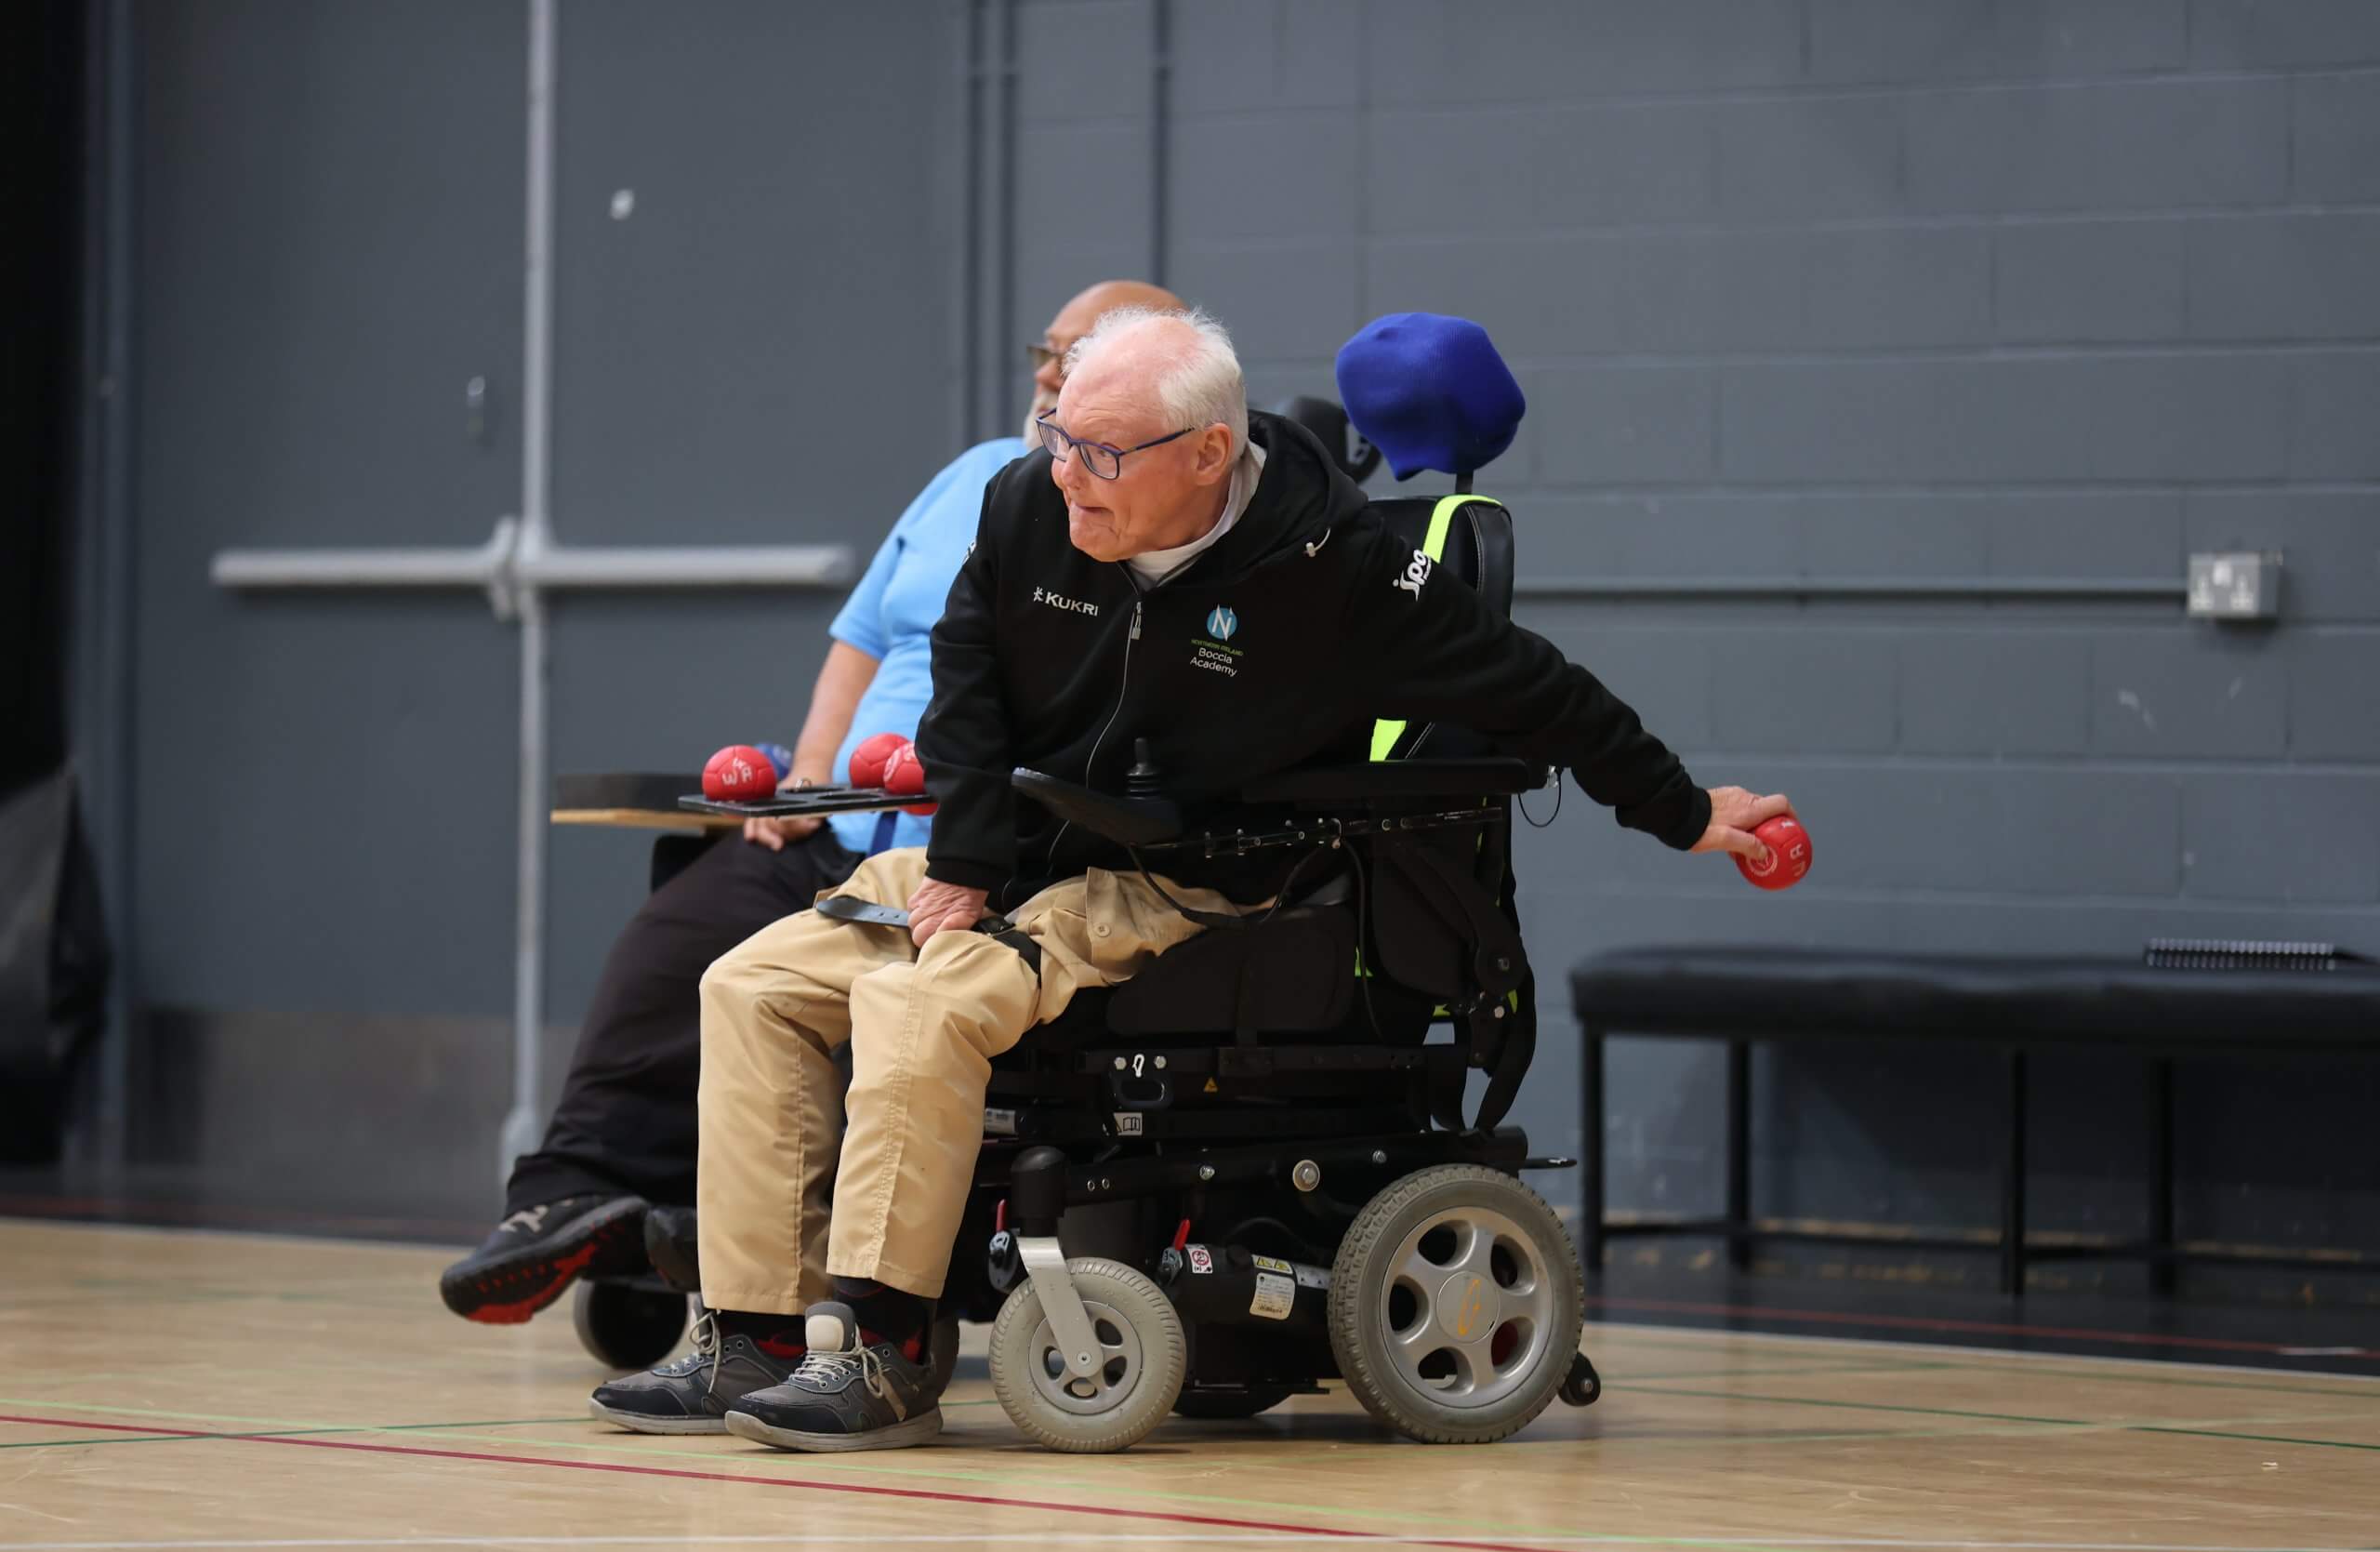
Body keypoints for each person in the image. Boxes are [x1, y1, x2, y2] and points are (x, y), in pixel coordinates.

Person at [588, 306, 1794, 1450]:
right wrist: (962, 859)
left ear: (1209, 453)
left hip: (1190, 878)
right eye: (1060, 438)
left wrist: (1686, 812)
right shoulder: (1027, 503)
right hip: (1014, 847)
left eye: (1100, 454)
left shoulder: (1342, 576)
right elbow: (965, 683)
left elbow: (1543, 691)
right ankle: (752, 1333)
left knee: (920, 1000)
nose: (1066, 474)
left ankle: (890, 1354)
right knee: (752, 978)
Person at [438, 280, 1186, 1330]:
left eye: (1085, 354)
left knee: (876, 1000)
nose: (1052, 376)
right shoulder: (970, 476)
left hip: (969, 847)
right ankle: (579, 1193)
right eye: (1046, 353)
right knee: (688, 932)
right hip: (840, 817)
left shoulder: (1125, 511)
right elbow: (866, 635)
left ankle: (839, 1307)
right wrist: (807, 781)